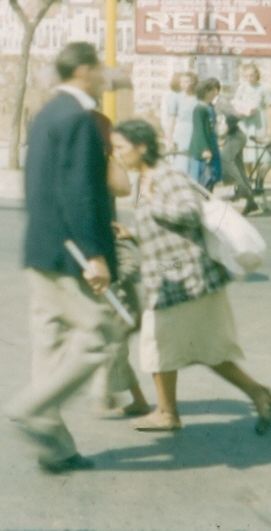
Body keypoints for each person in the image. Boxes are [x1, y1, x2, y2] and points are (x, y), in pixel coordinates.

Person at [112, 118, 271, 436]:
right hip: (171, 275)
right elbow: (162, 227)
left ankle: (168, 414)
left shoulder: (165, 176)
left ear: (141, 147)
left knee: (161, 345)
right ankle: (258, 394)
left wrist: (154, 203)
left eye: (121, 147)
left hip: (184, 276)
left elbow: (189, 213)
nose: (117, 154)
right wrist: (133, 233)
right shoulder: (144, 179)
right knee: (203, 349)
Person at [4, 41, 118, 475]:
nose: (104, 77)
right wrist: (95, 255)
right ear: (84, 70)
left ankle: (54, 448)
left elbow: (36, 185)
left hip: (41, 246)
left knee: (49, 345)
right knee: (99, 335)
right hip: (71, 253)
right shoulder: (78, 118)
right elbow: (81, 192)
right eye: (99, 69)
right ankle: (32, 410)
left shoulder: (47, 113)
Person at [88, 107, 152, 419]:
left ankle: (115, 393)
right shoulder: (87, 164)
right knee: (110, 328)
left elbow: (123, 187)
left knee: (114, 328)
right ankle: (119, 394)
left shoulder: (99, 163)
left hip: (110, 253)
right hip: (100, 254)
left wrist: (108, 155)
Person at [212, 81, 259, 215]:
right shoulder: (215, 103)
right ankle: (250, 201)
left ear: (215, 90)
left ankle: (245, 191)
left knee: (225, 160)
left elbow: (235, 116)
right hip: (232, 137)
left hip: (236, 136)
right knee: (238, 167)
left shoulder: (221, 102)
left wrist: (226, 127)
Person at [188, 79, 222, 189]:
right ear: (206, 92)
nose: (215, 93)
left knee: (211, 177)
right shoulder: (199, 109)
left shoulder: (210, 107)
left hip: (212, 144)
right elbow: (199, 130)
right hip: (203, 147)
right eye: (213, 90)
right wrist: (205, 149)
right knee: (202, 178)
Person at [160, 71, 198, 165]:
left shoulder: (198, 99)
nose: (183, 84)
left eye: (186, 82)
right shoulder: (176, 99)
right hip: (181, 132)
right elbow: (172, 119)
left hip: (195, 131)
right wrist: (170, 140)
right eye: (181, 82)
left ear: (193, 82)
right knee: (181, 159)